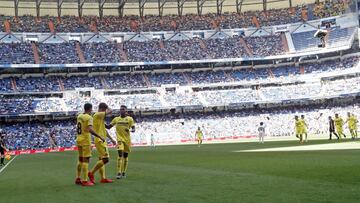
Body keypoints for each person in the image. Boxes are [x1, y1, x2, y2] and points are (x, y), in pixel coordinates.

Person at [75, 103, 105, 186]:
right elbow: (90, 129)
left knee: (80, 159)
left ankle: (78, 178)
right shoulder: (89, 117)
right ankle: (85, 181)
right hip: (85, 140)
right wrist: (100, 136)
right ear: (90, 109)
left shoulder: (79, 116)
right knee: (86, 160)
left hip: (79, 139)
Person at [88, 103, 117, 184]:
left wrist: (112, 139)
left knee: (101, 159)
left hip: (101, 140)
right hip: (100, 140)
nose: (105, 112)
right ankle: (91, 173)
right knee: (106, 159)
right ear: (102, 109)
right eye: (104, 110)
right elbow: (110, 111)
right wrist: (107, 107)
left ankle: (103, 178)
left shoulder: (100, 118)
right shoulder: (97, 114)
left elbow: (105, 130)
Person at [106, 105, 135, 179]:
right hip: (119, 139)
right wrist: (100, 123)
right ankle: (119, 172)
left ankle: (124, 172)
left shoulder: (130, 119)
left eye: (123, 109)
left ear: (126, 111)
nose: (121, 110)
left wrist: (129, 130)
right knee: (120, 154)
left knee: (125, 156)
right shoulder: (116, 119)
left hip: (127, 140)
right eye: (120, 109)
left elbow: (134, 129)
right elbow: (109, 127)